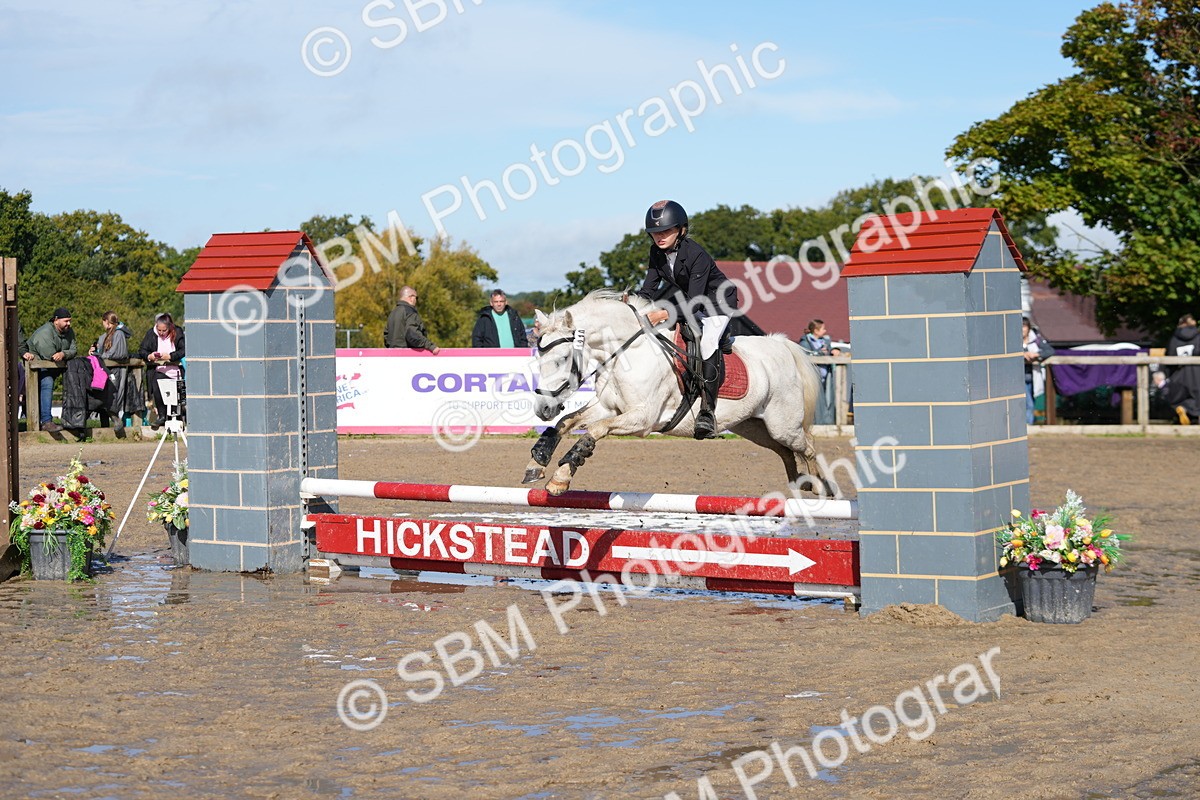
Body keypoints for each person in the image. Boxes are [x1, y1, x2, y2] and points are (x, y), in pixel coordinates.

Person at [634, 200, 739, 439]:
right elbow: (648, 290)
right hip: (693, 302)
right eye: (654, 232)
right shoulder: (656, 253)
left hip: (717, 304)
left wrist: (663, 314)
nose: (659, 237)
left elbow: (695, 300)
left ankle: (707, 413)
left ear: (681, 230)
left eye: (665, 231)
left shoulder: (696, 255)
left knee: (707, 343)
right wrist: (633, 308)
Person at [19, 307, 76, 432]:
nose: (69, 324)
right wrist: (63, 355)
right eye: (66, 321)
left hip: (51, 366)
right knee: (47, 382)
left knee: (74, 376)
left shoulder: (69, 332)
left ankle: (73, 420)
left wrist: (63, 354)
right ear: (56, 320)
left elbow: (73, 350)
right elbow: (50, 355)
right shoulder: (45, 332)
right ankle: (46, 421)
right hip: (34, 368)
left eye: (69, 321)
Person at [138, 313, 186, 426]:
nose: (161, 333)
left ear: (169, 327)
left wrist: (170, 356)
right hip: (159, 370)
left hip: (176, 371)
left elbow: (184, 349)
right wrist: (149, 356)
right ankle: (162, 415)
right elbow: (142, 350)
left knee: (175, 398)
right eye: (159, 330)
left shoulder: (177, 332)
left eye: (164, 331)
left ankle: (176, 419)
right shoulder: (151, 333)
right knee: (157, 386)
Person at [90, 311, 135, 428]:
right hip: (105, 370)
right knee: (103, 397)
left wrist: (100, 356)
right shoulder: (106, 336)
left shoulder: (119, 334)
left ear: (106, 321)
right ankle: (105, 426)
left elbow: (118, 353)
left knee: (113, 396)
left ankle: (116, 420)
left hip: (116, 370)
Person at [798, 319, 835, 425]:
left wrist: (834, 350)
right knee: (816, 400)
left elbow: (830, 350)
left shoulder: (825, 341)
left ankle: (827, 421)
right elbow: (806, 355)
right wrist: (819, 353)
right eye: (823, 328)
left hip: (825, 375)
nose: (825, 330)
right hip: (813, 377)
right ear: (816, 330)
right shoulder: (805, 342)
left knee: (827, 399)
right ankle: (816, 422)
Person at [384, 286, 440, 354]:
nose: (416, 300)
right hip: (408, 357)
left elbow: (386, 337)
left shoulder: (392, 313)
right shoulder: (409, 312)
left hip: (392, 357)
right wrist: (431, 346)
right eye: (416, 297)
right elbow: (413, 335)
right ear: (411, 297)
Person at [1166, 313, 1199, 425]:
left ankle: (1182, 410)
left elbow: (1169, 355)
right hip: (1196, 374)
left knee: (1178, 397)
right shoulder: (1198, 337)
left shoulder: (1174, 338)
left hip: (1178, 374)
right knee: (1196, 399)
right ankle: (1190, 414)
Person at [1022, 317, 1053, 425]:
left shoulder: (1036, 340)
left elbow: (1050, 351)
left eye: (1024, 326)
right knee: (1028, 404)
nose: (1022, 329)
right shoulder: (1011, 342)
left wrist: (1036, 354)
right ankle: (1028, 425)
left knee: (1031, 401)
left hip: (1033, 376)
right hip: (1019, 378)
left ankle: (1028, 423)